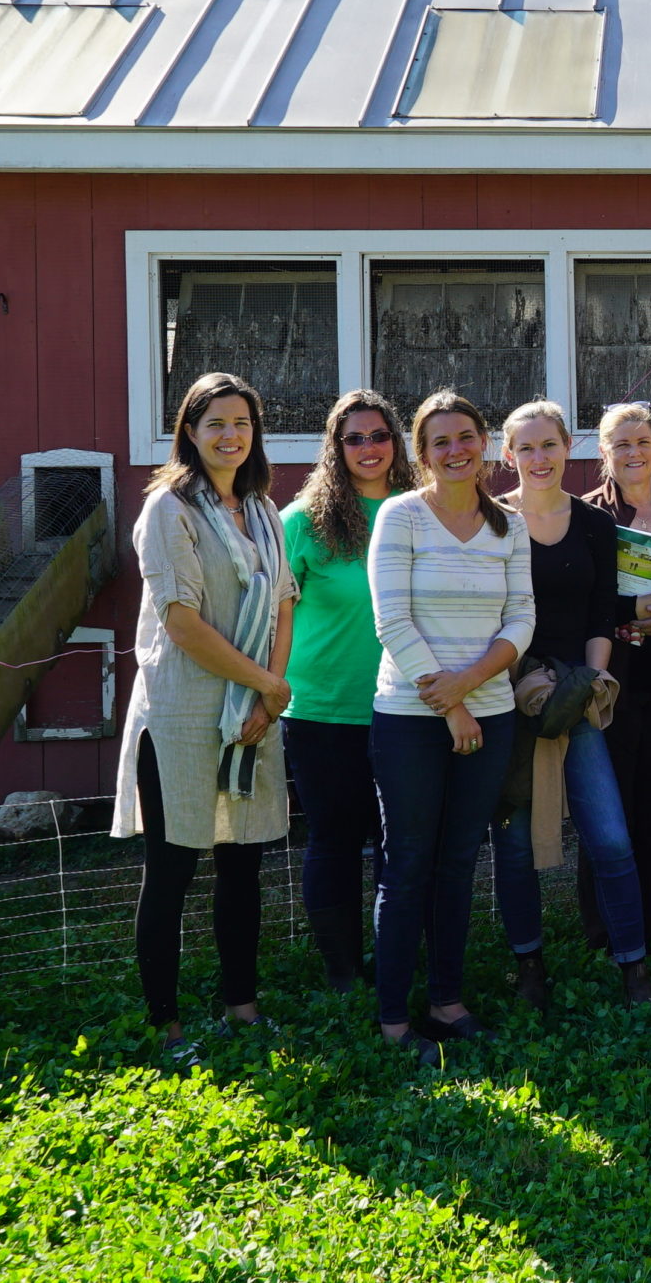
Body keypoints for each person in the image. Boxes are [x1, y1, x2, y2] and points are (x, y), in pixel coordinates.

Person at [113, 372, 296, 1060]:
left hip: (251, 710)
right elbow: (182, 624)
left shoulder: (263, 510)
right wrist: (266, 688)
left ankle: (241, 1007)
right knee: (171, 869)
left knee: (242, 864)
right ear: (188, 431)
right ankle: (167, 1025)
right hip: (185, 713)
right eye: (215, 423)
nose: (231, 435)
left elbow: (284, 602)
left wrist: (264, 691)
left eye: (242, 422)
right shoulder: (170, 510)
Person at [367, 390, 534, 1060]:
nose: (456, 449)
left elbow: (521, 618)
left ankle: (446, 1000)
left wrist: (471, 687)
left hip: (488, 715)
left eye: (466, 436)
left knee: (460, 861)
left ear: (485, 443)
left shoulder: (508, 527)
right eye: (440, 441)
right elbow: (392, 622)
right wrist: (453, 702)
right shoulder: (401, 517)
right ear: (421, 454)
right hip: (410, 718)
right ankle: (392, 1018)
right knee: (408, 863)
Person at [489, 400, 651, 1009]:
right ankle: (529, 966)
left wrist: (587, 684)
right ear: (509, 456)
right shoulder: (493, 521)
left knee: (610, 838)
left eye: (550, 445)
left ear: (569, 450)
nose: (539, 458)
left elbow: (602, 617)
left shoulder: (594, 525)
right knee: (512, 847)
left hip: (577, 694)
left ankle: (634, 968)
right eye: (526, 448)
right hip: (506, 697)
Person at [280, 388, 417, 993]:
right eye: (353, 437)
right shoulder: (301, 523)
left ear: (397, 443)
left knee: (401, 842)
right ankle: (342, 972)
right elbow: (269, 619)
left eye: (380, 435)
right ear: (334, 448)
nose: (368, 447)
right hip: (322, 709)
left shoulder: (419, 511)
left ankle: (397, 958)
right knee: (334, 840)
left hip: (404, 706)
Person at [579, 401, 651, 952]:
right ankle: (606, 929)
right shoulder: (586, 516)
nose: (633, 452)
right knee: (611, 811)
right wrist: (626, 619)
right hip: (612, 685)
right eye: (620, 444)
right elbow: (577, 600)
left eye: (642, 442)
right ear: (604, 452)